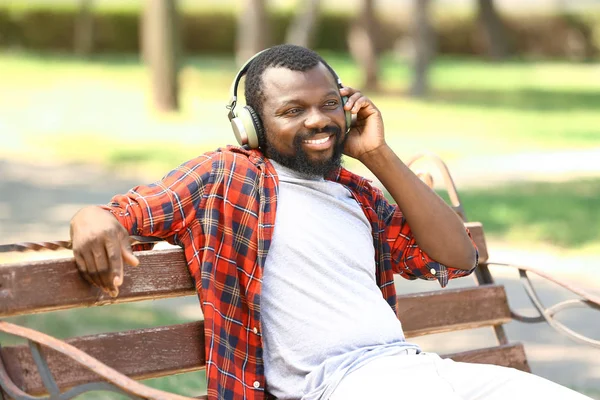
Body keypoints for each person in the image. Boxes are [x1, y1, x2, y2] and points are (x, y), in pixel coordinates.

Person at [69, 45, 591, 400]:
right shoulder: (224, 177)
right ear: (251, 126)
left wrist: (379, 155)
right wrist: (91, 217)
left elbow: (458, 258)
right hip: (333, 386)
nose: (317, 120)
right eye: (292, 110)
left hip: (410, 370)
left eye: (328, 104)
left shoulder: (357, 193)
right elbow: (128, 211)